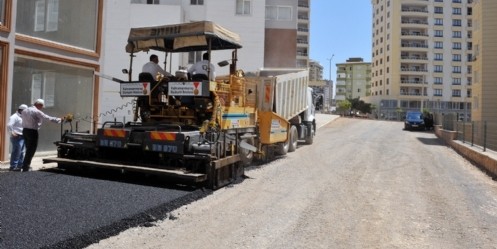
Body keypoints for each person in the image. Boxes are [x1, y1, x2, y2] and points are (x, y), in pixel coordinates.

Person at [21, 99, 63, 172]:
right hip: (32, 131)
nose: (42, 108)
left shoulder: (25, 110)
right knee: (31, 150)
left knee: (28, 148)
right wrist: (60, 120)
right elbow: (47, 118)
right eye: (41, 106)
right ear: (39, 105)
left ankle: (25, 165)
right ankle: (25, 167)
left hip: (25, 131)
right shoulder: (36, 111)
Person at [7, 104, 28, 171]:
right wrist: (12, 132)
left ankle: (20, 165)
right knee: (16, 151)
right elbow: (9, 125)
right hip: (17, 136)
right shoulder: (14, 116)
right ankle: (13, 166)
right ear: (21, 110)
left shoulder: (23, 117)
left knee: (21, 152)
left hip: (22, 136)